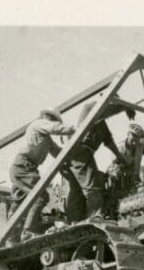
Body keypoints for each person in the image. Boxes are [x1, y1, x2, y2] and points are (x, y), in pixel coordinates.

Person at [7, 109, 75, 242]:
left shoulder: (46, 139)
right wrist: (74, 129)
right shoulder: (38, 124)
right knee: (40, 196)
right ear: (49, 118)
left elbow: (58, 153)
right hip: (24, 166)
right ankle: (28, 231)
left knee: (19, 202)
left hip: (22, 168)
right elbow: (55, 128)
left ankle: (10, 237)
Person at [68, 98, 127, 218]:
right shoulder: (90, 108)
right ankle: (94, 217)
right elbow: (101, 109)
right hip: (80, 151)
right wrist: (124, 107)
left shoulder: (102, 124)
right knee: (93, 186)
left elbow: (109, 141)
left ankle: (75, 219)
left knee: (77, 189)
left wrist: (120, 157)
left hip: (82, 154)